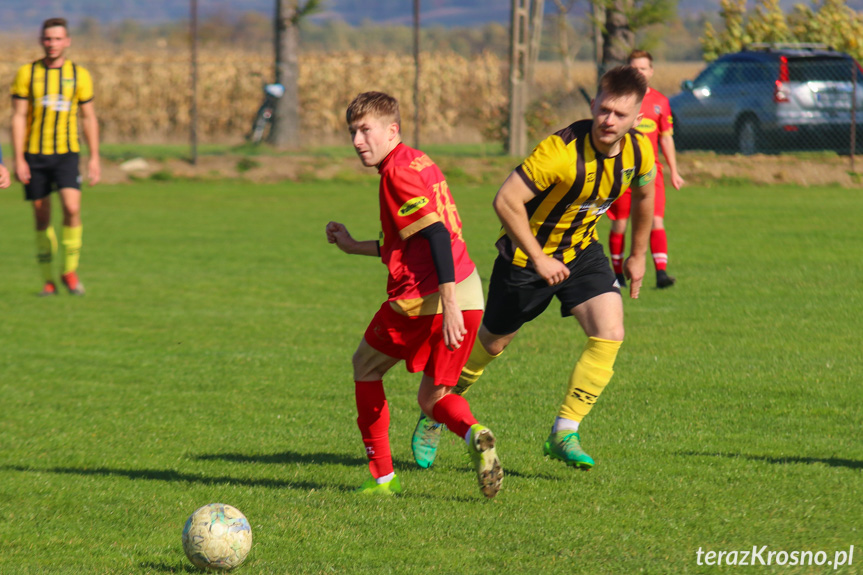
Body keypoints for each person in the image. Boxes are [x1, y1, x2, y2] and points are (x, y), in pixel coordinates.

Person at [411, 66, 655, 471]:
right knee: (490, 345)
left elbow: (645, 195)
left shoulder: (637, 150)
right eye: (605, 109)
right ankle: (436, 408)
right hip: (526, 261)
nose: (609, 121)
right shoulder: (559, 153)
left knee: (610, 331)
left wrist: (638, 253)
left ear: (637, 118)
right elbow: (505, 200)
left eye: (620, 114)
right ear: (593, 103)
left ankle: (564, 432)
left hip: (580, 252)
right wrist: (540, 258)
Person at [325, 91, 503, 498]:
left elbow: (438, 235)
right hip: (470, 289)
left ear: (392, 130)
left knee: (365, 368)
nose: (356, 141)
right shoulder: (418, 160)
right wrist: (354, 246)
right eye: (352, 131)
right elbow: (415, 239)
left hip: (429, 299)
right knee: (432, 398)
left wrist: (449, 302)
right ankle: (474, 432)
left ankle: (383, 479)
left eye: (365, 130)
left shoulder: (395, 174)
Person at [11, 17, 101, 296]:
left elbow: (89, 118)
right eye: (48, 39)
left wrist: (95, 157)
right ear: (41, 40)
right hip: (35, 156)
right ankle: (48, 281)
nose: (52, 44)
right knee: (41, 217)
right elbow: (18, 116)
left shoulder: (79, 75)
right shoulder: (28, 73)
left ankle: (69, 271)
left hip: (66, 154)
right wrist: (19, 158)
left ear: (67, 41)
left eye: (58, 38)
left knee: (72, 209)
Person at [607, 50, 684, 289]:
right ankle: (617, 274)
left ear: (651, 71)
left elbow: (666, 138)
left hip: (651, 172)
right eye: (634, 68)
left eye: (643, 68)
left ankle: (661, 273)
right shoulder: (619, 100)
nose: (638, 72)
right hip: (622, 170)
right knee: (620, 224)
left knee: (656, 221)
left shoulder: (661, 102)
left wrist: (674, 169)